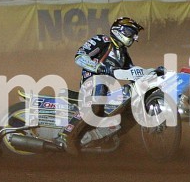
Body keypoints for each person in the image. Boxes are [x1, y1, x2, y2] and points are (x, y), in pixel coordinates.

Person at [60, 17, 145, 154]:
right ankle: (67, 136)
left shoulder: (123, 53)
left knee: (132, 109)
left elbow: (132, 73)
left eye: (135, 34)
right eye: (130, 32)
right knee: (97, 100)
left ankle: (109, 137)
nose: (133, 37)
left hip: (107, 88)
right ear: (118, 31)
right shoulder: (103, 41)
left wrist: (151, 73)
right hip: (92, 82)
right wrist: (98, 67)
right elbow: (79, 56)